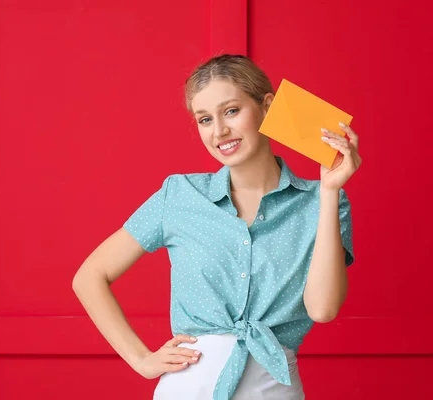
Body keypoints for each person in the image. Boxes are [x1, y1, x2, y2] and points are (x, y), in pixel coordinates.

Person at [72, 54, 361, 400]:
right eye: (205, 119)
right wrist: (141, 359)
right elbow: (89, 276)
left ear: (266, 107)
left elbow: (323, 309)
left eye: (232, 111)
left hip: (272, 390)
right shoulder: (180, 195)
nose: (219, 131)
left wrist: (329, 191)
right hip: (186, 389)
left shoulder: (321, 203)